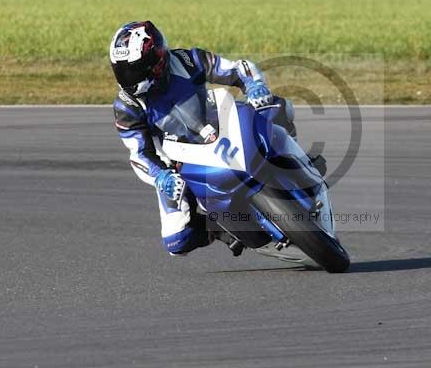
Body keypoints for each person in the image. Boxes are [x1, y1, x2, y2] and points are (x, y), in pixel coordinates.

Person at [109, 20, 299, 257]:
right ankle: (221, 229)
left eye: (133, 70)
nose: (127, 78)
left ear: (156, 61)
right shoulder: (126, 105)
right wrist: (161, 176)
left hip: (219, 123)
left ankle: (295, 156)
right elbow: (138, 153)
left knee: (277, 106)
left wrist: (255, 85)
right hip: (178, 161)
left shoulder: (188, 61)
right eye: (121, 70)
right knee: (177, 241)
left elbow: (238, 69)